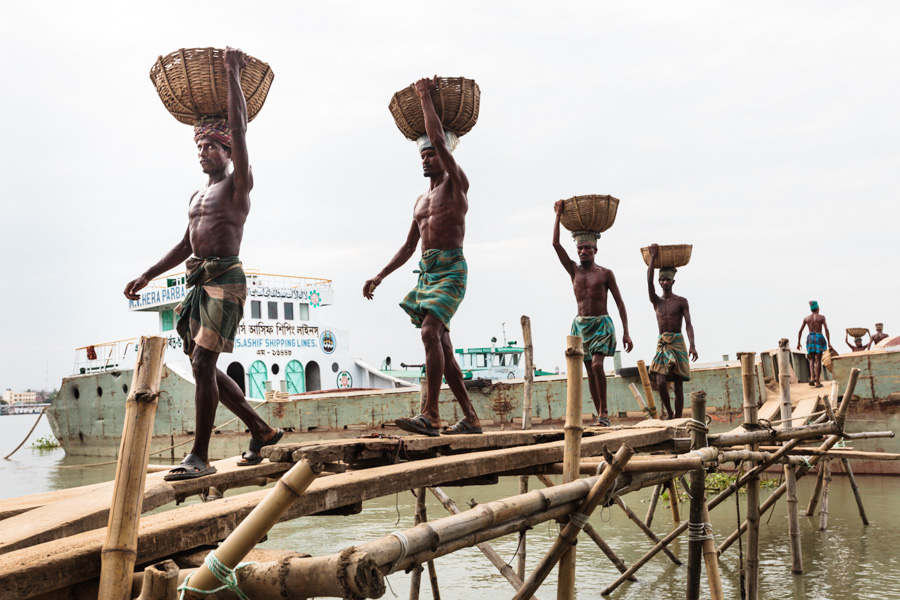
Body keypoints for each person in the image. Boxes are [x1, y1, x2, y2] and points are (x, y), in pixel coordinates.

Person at [124, 47, 282, 480]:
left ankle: (199, 455)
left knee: (200, 364)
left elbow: (242, 130)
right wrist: (147, 274)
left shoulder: (238, 185)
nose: (203, 152)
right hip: (198, 282)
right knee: (201, 364)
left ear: (229, 151)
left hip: (225, 280)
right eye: (199, 146)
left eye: (211, 145)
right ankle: (261, 429)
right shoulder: (197, 196)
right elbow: (184, 243)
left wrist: (232, 73)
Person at [364, 76, 481, 436]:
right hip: (428, 273)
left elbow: (438, 140)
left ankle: (430, 413)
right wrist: (380, 275)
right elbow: (408, 246)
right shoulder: (420, 201)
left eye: (433, 152)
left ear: (445, 154)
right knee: (442, 345)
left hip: (452, 270)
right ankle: (471, 418)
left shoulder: (457, 184)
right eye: (424, 154)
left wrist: (425, 96)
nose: (427, 159)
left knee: (430, 332)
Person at [552, 203, 633, 426]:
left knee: (598, 366)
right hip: (580, 326)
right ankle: (600, 415)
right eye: (580, 248)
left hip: (601, 324)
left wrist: (626, 332)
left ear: (595, 250)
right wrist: (558, 215)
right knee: (589, 370)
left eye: (587, 248)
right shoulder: (573, 270)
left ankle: (605, 412)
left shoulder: (605, 274)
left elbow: (620, 302)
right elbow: (555, 244)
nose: (583, 252)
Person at [646, 244, 697, 419]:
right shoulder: (657, 301)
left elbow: (688, 324)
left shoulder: (681, 301)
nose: (664, 282)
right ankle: (669, 413)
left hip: (677, 341)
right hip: (662, 343)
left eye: (667, 279)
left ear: (673, 282)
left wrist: (692, 345)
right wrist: (653, 257)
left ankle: (678, 416)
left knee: (678, 382)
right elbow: (648, 281)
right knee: (660, 381)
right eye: (662, 280)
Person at [796, 300, 831, 388]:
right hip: (819, 337)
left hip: (810, 338)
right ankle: (818, 381)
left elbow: (800, 331)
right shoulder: (821, 317)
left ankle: (812, 377)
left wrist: (798, 343)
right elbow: (826, 330)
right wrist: (829, 342)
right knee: (818, 359)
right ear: (817, 308)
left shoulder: (806, 318)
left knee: (811, 359)